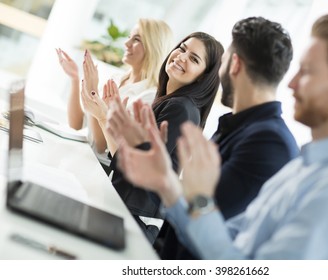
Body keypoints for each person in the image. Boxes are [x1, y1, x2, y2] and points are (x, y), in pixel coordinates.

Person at [117, 14, 328, 259]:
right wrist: (166, 182)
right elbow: (229, 245)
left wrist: (191, 193)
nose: (291, 85)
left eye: (306, 72)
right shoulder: (305, 167)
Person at [153, 16, 300, 259]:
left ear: (235, 64)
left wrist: (163, 179)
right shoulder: (242, 127)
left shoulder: (268, 143)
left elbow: (207, 221)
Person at [85, 31, 224, 242]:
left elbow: (136, 165)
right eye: (182, 48)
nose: (181, 57)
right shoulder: (172, 101)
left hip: (134, 221)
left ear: (203, 76)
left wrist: (105, 118)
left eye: (194, 59)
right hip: (126, 210)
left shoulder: (181, 108)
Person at [56, 18, 173, 154]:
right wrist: (75, 78)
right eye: (129, 37)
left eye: (136, 39)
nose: (126, 43)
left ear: (153, 47)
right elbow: (77, 126)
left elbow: (100, 146)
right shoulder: (116, 80)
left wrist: (93, 91)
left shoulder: (148, 97)